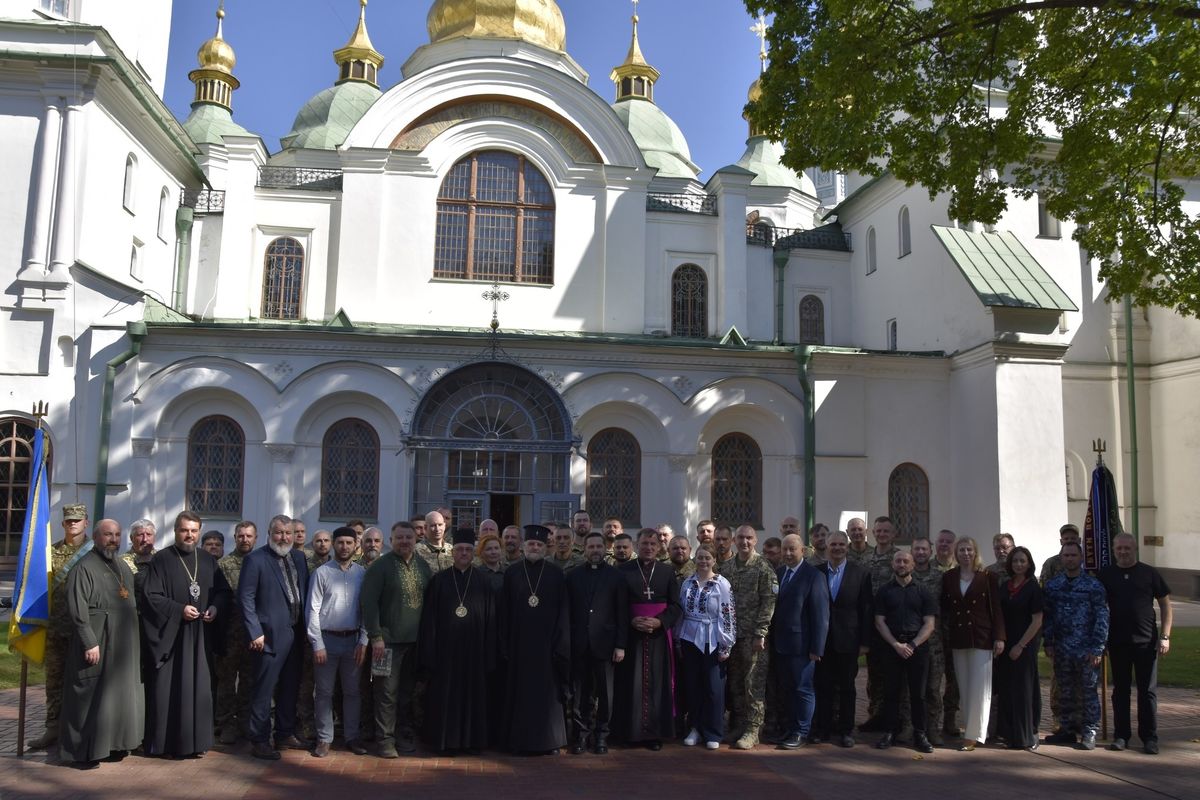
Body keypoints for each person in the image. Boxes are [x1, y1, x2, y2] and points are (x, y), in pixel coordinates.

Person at [141, 510, 230, 757]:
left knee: (200, 689)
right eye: (184, 530)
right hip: (173, 637)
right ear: (176, 531)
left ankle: (196, 743)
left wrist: (214, 607)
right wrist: (179, 609)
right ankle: (167, 744)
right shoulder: (162, 559)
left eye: (193, 530)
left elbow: (223, 592)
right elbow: (152, 597)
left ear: (199, 532)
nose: (189, 535)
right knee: (169, 690)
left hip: (200, 636)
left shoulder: (208, 560)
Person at [58, 519, 143, 769]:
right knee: (89, 696)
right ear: (95, 537)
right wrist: (89, 642)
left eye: (117, 534)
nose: (113, 539)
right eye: (108, 535)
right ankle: (82, 752)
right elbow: (77, 608)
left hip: (123, 643)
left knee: (117, 696)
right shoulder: (83, 568)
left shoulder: (122, 567)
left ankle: (114, 744)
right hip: (97, 641)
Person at [420, 527, 496, 755]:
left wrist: (489, 654)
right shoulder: (440, 581)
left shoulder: (483, 582)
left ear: (473, 553)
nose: (463, 553)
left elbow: (491, 621)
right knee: (446, 698)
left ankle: (472, 742)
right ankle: (446, 742)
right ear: (453, 553)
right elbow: (429, 620)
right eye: (460, 549)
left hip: (475, 654)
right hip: (446, 654)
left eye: (468, 550)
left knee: (474, 699)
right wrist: (429, 653)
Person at [239, 515, 309, 760]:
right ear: (270, 533)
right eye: (279, 532)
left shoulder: (299, 558)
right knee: (263, 690)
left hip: (295, 633)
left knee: (290, 686)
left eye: (288, 533)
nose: (284, 537)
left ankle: (284, 733)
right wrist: (254, 631)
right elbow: (245, 598)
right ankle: (259, 739)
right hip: (267, 637)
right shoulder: (255, 560)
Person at [361, 520, 431, 758]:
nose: (404, 542)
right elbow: (368, 604)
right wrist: (376, 636)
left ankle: (403, 736)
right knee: (385, 694)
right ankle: (384, 741)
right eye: (399, 538)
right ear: (391, 541)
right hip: (386, 643)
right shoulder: (380, 567)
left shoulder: (423, 567)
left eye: (408, 538)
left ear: (415, 540)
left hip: (414, 644)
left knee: (407, 693)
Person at [499, 524, 570, 754]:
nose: (535, 547)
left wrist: (560, 643)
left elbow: (563, 611)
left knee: (547, 698)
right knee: (520, 695)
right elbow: (504, 612)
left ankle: (550, 743)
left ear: (545, 547)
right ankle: (518, 742)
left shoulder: (556, 574)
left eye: (539, 544)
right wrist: (505, 643)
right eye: (531, 543)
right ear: (523, 545)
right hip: (519, 646)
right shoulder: (511, 573)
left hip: (547, 647)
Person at [1098, 532, 1172, 754]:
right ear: (1113, 550)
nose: (1123, 552)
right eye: (1119, 548)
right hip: (1118, 643)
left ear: (1134, 549)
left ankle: (1149, 737)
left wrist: (1165, 636)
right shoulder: (1106, 575)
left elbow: (1166, 606)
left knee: (1147, 692)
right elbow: (1098, 608)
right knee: (1120, 691)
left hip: (1146, 642)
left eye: (1127, 548)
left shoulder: (1149, 573)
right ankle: (1121, 736)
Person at [28, 503, 91, 752]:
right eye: (68, 520)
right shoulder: (49, 553)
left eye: (77, 520)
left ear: (86, 522)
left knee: (84, 680)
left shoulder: (94, 552)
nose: (73, 524)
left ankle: (80, 729)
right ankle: (53, 728)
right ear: (63, 524)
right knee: (54, 680)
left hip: (84, 629)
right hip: (56, 628)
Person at [613, 528, 683, 750]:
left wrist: (660, 621)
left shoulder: (667, 571)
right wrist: (632, 620)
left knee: (657, 684)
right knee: (629, 684)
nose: (649, 548)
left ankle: (654, 734)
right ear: (636, 544)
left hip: (659, 637)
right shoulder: (622, 570)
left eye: (653, 544)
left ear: (659, 546)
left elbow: (676, 605)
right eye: (644, 544)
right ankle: (628, 733)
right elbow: (617, 605)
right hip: (631, 635)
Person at [305, 527, 367, 757]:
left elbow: (366, 610)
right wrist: (317, 643)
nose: (344, 547)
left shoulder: (362, 573)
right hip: (327, 641)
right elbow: (313, 609)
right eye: (340, 542)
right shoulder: (322, 573)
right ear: (333, 544)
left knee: (352, 692)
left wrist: (364, 639)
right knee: (323, 693)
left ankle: (352, 737)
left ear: (355, 545)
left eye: (349, 543)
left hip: (353, 641)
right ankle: (324, 738)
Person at [565, 531, 629, 755]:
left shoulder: (616, 576)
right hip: (580, 644)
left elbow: (622, 613)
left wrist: (621, 645)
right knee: (581, 694)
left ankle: (602, 736)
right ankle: (581, 736)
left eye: (598, 547)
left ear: (605, 549)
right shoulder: (573, 576)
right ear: (584, 549)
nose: (594, 551)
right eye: (590, 547)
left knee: (606, 694)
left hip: (606, 646)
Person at [941, 536, 1005, 751]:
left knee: (980, 687)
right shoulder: (949, 577)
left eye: (969, 550)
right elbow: (945, 608)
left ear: (975, 552)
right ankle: (969, 727)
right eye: (961, 550)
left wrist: (1000, 637)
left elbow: (996, 609)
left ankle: (974, 734)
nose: (965, 554)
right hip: (959, 637)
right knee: (965, 685)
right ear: (956, 554)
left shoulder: (988, 577)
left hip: (982, 637)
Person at [1043, 541, 1108, 750]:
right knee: (1065, 690)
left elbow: (1102, 617)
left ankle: (1089, 731)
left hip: (1086, 649)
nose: (1070, 558)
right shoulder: (1053, 585)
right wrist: (1049, 641)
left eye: (1073, 555)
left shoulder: (1093, 586)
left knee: (1088, 691)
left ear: (1081, 558)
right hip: (1062, 649)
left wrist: (1097, 647)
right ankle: (1067, 730)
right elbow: (1049, 616)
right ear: (1061, 558)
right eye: (1066, 555)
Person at [718, 524, 777, 750]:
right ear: (734, 541)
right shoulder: (727, 567)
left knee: (753, 684)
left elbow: (768, 603)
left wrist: (761, 632)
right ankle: (738, 725)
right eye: (740, 538)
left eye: (749, 538)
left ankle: (753, 730)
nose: (744, 542)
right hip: (732, 636)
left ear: (755, 541)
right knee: (735, 684)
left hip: (753, 637)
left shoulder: (763, 567)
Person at [770, 533, 830, 749]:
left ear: (802, 551)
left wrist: (817, 648)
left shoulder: (814, 576)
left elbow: (821, 616)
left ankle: (801, 731)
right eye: (784, 549)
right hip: (781, 645)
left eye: (791, 549)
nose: (787, 553)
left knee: (802, 689)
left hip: (803, 647)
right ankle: (790, 728)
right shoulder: (778, 574)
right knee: (787, 689)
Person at [872, 550, 936, 753]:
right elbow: (879, 621)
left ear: (912, 565)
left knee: (919, 694)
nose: (901, 564)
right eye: (898, 561)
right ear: (893, 564)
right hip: (892, 648)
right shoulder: (884, 591)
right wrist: (895, 645)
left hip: (917, 648)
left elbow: (930, 624)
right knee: (891, 692)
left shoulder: (924, 591)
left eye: (905, 561)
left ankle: (920, 733)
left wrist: (913, 645)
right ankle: (890, 732)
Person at [814, 531, 872, 748]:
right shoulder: (816, 572)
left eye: (841, 544)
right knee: (823, 686)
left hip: (849, 639)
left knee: (847, 687)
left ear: (847, 547)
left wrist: (865, 642)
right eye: (833, 545)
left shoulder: (861, 573)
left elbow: (866, 609)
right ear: (826, 547)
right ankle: (823, 729)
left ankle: (847, 730)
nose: (837, 548)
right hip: (822, 640)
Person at [676, 547, 736, 750]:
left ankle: (714, 731)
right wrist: (678, 638)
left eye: (707, 557)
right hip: (689, 637)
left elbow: (727, 615)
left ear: (714, 560)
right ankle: (695, 728)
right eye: (700, 557)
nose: (703, 561)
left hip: (712, 639)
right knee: (693, 686)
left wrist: (726, 644)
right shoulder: (687, 583)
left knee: (713, 688)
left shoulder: (721, 584)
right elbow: (681, 611)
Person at [996, 546, 1043, 751]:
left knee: (1024, 690)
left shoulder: (1033, 588)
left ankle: (1025, 735)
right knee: (1006, 689)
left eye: (1022, 561)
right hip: (1005, 644)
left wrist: (1020, 645)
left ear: (1029, 564)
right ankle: (1008, 733)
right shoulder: (1005, 586)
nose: (1018, 564)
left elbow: (1037, 620)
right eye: (1015, 561)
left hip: (1024, 644)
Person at [215, 521, 256, 745]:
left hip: (252, 635)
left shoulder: (260, 562)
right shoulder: (223, 564)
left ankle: (244, 722)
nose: (245, 540)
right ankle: (225, 724)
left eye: (249, 536)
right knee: (227, 682)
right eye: (241, 536)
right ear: (235, 537)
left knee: (249, 681)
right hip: (229, 634)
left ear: (256, 538)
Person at [861, 516, 900, 731]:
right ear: (873, 533)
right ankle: (875, 715)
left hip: (893, 626)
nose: (882, 534)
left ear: (893, 534)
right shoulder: (866, 559)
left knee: (893, 674)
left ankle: (893, 718)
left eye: (887, 531)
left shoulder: (900, 558)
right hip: (872, 625)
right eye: (879, 531)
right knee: (874, 674)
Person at [910, 536, 948, 744]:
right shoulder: (906, 574)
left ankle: (933, 729)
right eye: (917, 549)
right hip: (910, 640)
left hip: (934, 642)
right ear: (912, 552)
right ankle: (909, 727)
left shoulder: (939, 577)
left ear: (930, 551)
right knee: (910, 689)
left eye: (924, 549)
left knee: (933, 689)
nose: (921, 553)